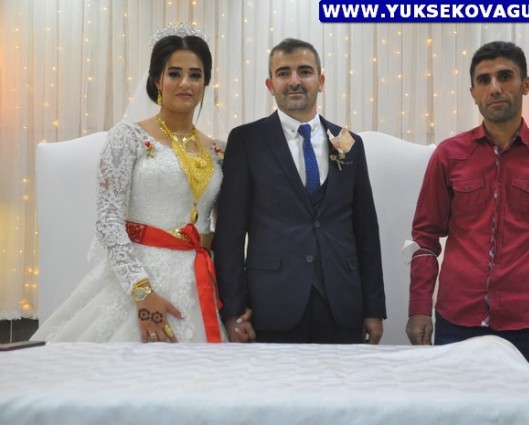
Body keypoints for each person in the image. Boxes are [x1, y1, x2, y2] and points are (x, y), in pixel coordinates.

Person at [31, 23, 234, 343]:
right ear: (156, 80)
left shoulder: (218, 150)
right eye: (174, 73)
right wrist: (141, 292)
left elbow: (226, 231)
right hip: (139, 280)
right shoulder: (128, 138)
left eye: (195, 75)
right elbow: (109, 221)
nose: (185, 83)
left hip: (201, 284)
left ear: (205, 82)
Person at [404, 41, 529, 375]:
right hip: (456, 320)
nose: (495, 88)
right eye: (484, 80)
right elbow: (425, 238)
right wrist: (419, 308)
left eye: (505, 76)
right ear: (473, 92)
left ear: (525, 84)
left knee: (528, 406)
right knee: (456, 404)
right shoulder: (448, 155)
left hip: (526, 324)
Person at [213, 38, 386, 344]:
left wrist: (373, 308)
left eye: (304, 71)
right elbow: (230, 235)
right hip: (271, 304)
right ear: (270, 85)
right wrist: (233, 310)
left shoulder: (349, 143)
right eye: (283, 73)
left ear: (321, 81)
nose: (294, 80)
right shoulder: (246, 141)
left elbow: (366, 231)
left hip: (342, 303)